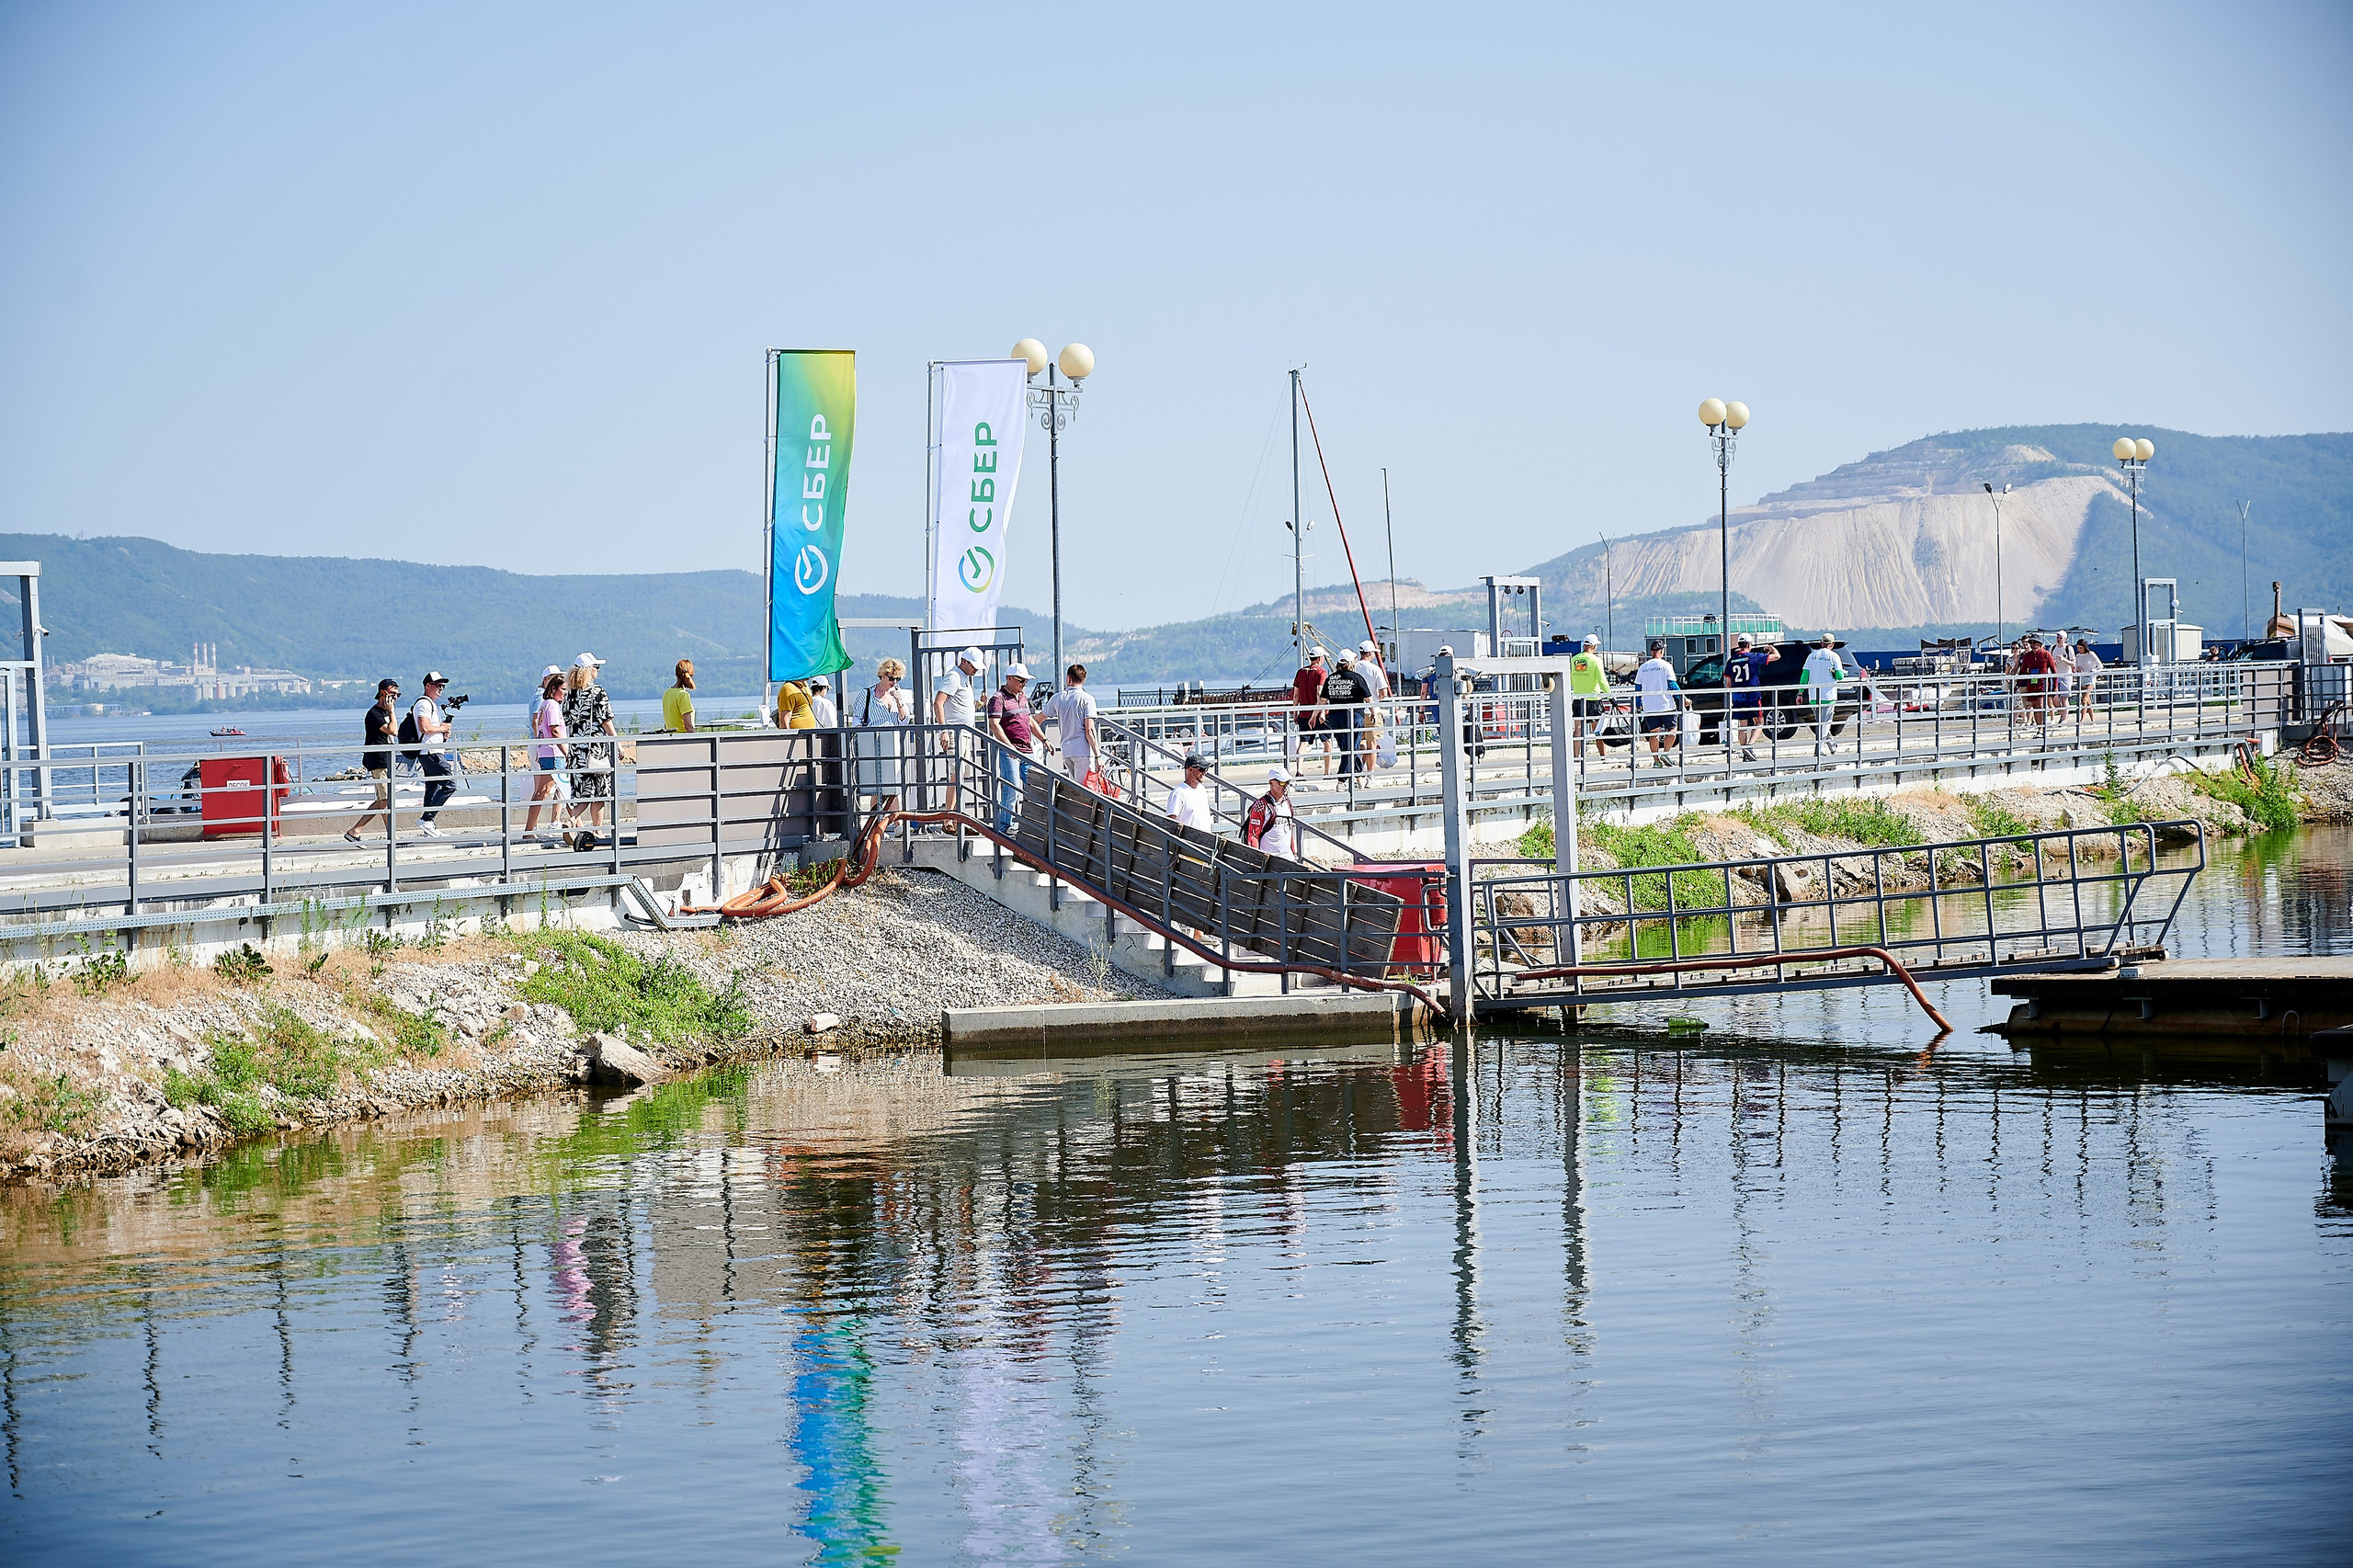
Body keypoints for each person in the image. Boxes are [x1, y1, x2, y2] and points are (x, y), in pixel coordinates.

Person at [563, 653, 617, 847]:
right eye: (596, 667)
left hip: (577, 750)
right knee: (600, 792)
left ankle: (571, 820)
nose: (598, 671)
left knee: (583, 792)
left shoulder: (569, 695)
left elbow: (568, 724)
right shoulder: (598, 693)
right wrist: (616, 741)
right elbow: (606, 720)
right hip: (596, 750)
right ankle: (598, 830)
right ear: (588, 670)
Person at [853, 656, 915, 812]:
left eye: (898, 679)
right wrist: (864, 738)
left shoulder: (897, 695)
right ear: (882, 676)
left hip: (893, 745)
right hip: (872, 744)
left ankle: (890, 822)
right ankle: (882, 823)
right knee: (877, 786)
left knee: (891, 784)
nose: (894, 682)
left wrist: (900, 702)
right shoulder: (866, 694)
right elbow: (857, 719)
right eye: (892, 678)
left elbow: (904, 720)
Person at [344, 677, 401, 843]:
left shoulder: (385, 713)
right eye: (392, 694)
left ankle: (355, 831)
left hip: (386, 760)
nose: (395, 698)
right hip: (379, 761)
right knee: (386, 800)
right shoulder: (374, 714)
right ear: (382, 693)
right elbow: (393, 731)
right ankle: (359, 831)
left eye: (397, 695)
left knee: (384, 800)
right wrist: (391, 711)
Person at [985, 662, 1037, 832]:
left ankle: (1032, 825)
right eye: (1021, 681)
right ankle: (1005, 826)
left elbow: (1030, 720)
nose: (1024, 684)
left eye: (1026, 681)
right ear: (1009, 679)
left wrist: (1044, 739)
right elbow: (994, 724)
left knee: (1034, 788)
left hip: (1027, 750)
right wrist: (1008, 746)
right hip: (1011, 751)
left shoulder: (1023, 698)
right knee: (1012, 787)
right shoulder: (998, 698)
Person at [409, 670, 458, 836]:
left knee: (432, 787)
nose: (441, 688)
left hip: (431, 751)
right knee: (450, 784)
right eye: (438, 685)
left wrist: (442, 733)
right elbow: (424, 727)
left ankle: (427, 827)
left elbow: (430, 729)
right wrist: (441, 728)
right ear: (427, 685)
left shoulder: (431, 704)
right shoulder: (424, 704)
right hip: (430, 752)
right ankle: (427, 819)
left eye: (442, 686)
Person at [526, 667, 569, 843]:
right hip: (554, 753)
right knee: (554, 790)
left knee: (548, 791)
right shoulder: (551, 705)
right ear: (554, 689)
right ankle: (579, 826)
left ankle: (529, 829)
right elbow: (554, 730)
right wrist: (567, 751)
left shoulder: (545, 704)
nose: (565, 693)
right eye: (563, 689)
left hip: (547, 752)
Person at [1045, 663, 1099, 781]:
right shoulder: (1087, 699)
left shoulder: (1057, 698)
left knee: (1074, 790)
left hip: (1066, 751)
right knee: (1084, 791)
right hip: (1083, 751)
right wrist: (1097, 754)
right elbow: (1089, 730)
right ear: (1083, 680)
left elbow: (1039, 718)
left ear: (1068, 678)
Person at [1321, 653, 1371, 777]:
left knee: (1346, 747)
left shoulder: (1331, 678)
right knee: (1351, 748)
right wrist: (1374, 712)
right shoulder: (1356, 677)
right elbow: (1368, 699)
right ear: (1349, 662)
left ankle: (1358, 777)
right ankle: (1342, 778)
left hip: (1335, 717)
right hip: (1355, 717)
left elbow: (1322, 700)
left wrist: (1314, 716)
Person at [1632, 642, 1681, 767]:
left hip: (1649, 706)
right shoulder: (1666, 665)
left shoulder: (1643, 667)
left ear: (1651, 651)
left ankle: (1656, 761)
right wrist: (1682, 698)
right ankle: (1665, 752)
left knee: (1654, 733)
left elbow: (1638, 688)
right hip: (1666, 705)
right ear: (1662, 651)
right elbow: (1672, 686)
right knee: (1672, 729)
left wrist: (1638, 704)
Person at [1799, 634, 1848, 754]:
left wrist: (1800, 693)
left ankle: (1831, 744)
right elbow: (1840, 676)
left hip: (1813, 696)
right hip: (1828, 695)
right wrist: (1838, 674)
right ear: (1832, 644)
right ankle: (1818, 751)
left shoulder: (1811, 656)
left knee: (1821, 724)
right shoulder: (1834, 656)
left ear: (1821, 643)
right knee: (1825, 724)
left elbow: (1805, 675)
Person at [1726, 633, 1771, 761]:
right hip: (1752, 696)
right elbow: (1777, 657)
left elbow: (1728, 683)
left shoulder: (1731, 660)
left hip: (1738, 697)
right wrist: (1771, 649)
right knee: (1759, 722)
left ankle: (1746, 754)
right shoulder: (1753, 657)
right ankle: (1749, 747)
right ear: (1749, 644)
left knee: (1743, 726)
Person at [1568, 634, 1609, 759]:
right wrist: (1610, 696)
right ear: (1593, 646)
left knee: (1578, 728)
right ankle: (1603, 756)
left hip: (1578, 698)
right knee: (1598, 729)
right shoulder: (1596, 660)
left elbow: (1572, 680)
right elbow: (1602, 680)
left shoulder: (1574, 659)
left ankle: (1575, 757)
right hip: (1594, 698)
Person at [1244, 765, 1298, 859]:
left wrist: (1294, 853)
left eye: (1287, 782)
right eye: (1281, 782)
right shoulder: (1261, 806)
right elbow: (1253, 835)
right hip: (1270, 861)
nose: (1285, 786)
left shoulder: (1288, 803)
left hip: (1289, 858)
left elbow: (1289, 831)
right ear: (1271, 783)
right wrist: (1257, 860)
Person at [1290, 647, 1331, 774]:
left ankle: (1299, 770)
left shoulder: (1300, 672)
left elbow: (1296, 695)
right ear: (1319, 658)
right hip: (1318, 713)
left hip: (1304, 712)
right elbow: (1320, 693)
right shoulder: (1321, 673)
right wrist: (1323, 711)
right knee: (1327, 741)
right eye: (1323, 657)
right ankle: (1327, 772)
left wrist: (1295, 712)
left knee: (1303, 742)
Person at [2015, 635, 2061, 728]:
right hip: (2032, 683)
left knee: (2041, 705)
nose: (2032, 644)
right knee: (2035, 706)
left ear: (2039, 644)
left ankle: (2042, 728)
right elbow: (2022, 671)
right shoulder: (2028, 656)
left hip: (2043, 683)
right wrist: (2017, 685)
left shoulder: (2046, 654)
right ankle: (2039, 727)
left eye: (2034, 642)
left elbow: (2054, 671)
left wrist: (2055, 686)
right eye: (2030, 642)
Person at [1163, 753, 1213, 831]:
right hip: (1187, 841)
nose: (1204, 773)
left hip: (1205, 840)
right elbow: (1170, 823)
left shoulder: (1202, 789)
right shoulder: (1179, 793)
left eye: (1206, 770)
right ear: (1190, 769)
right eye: (1202, 769)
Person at [2071, 637, 2104, 720]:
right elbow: (2075, 667)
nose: (2079, 650)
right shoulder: (2078, 656)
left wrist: (2094, 671)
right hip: (2082, 678)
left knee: (2084, 700)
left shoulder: (2091, 654)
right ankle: (2093, 719)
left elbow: (2100, 666)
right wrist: (2077, 668)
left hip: (2090, 678)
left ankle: (2081, 720)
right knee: (2087, 701)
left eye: (2081, 648)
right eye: (2078, 648)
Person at [662, 659, 697, 733]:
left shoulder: (667, 693)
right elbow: (688, 726)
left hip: (671, 739)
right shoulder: (683, 695)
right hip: (683, 740)